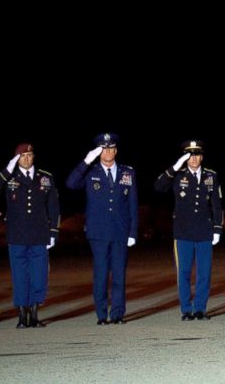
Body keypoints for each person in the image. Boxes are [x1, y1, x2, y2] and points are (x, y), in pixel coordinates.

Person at [66, 133, 138, 325]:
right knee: (100, 274)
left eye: (111, 148)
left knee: (119, 275)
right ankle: (101, 314)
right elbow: (70, 184)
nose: (108, 152)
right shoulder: (91, 172)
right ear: (98, 152)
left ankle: (117, 314)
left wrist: (133, 232)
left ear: (116, 150)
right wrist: (86, 161)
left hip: (120, 232)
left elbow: (132, 204)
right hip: (98, 233)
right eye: (103, 149)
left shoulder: (127, 172)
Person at [0, 144, 60, 327]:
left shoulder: (45, 177)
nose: (26, 159)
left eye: (29, 155)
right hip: (17, 236)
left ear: (34, 156)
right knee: (19, 276)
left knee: (39, 275)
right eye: (22, 156)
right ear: (16, 159)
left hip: (39, 235)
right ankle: (22, 315)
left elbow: (53, 207)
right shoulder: (9, 176)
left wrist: (53, 232)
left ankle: (34, 314)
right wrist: (7, 169)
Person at [154, 140, 223, 320]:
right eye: (190, 155)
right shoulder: (177, 175)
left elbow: (216, 204)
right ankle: (186, 309)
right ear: (185, 157)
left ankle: (200, 309)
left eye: (197, 154)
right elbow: (158, 186)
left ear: (202, 156)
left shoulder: (211, 176)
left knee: (204, 273)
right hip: (183, 232)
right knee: (183, 272)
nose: (194, 159)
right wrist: (175, 166)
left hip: (204, 232)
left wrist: (217, 228)